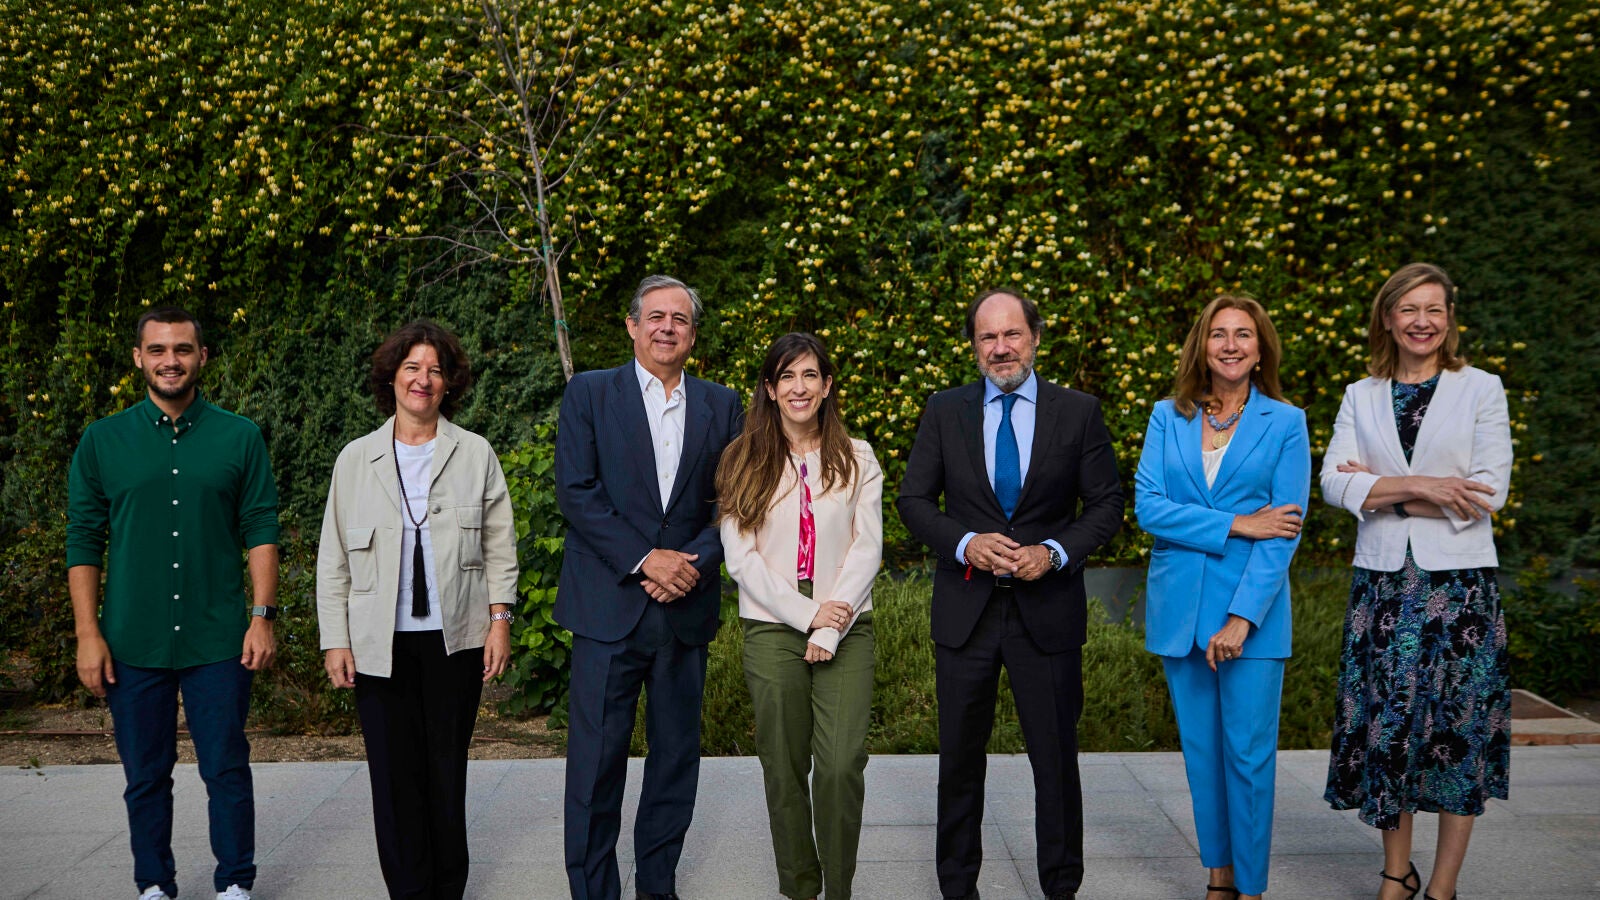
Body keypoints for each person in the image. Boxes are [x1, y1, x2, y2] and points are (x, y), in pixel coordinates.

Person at [897, 288, 1125, 900]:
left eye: (1012, 334)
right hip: (965, 612)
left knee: (1055, 763)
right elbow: (913, 500)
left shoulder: (1077, 411)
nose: (1000, 348)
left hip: (1047, 613)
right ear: (974, 346)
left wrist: (1053, 552)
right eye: (987, 337)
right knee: (959, 762)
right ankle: (957, 888)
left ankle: (1061, 888)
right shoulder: (944, 409)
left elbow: (1106, 505)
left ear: (1035, 338)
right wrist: (965, 542)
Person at [67, 307, 280, 900]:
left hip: (218, 637)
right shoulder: (102, 440)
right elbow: (83, 539)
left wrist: (262, 616)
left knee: (226, 767)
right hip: (132, 639)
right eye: (158, 350)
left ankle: (235, 883)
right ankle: (154, 885)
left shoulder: (240, 436)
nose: (170, 361)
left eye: (182, 349)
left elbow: (261, 528)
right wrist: (88, 633)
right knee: (144, 775)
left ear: (202, 357)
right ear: (139, 358)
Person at [1321, 263, 1512, 900]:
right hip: (1382, 588)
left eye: (1433, 309)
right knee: (1388, 728)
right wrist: (1426, 487)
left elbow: (1487, 494)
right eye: (1408, 309)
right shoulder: (1361, 394)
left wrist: (1382, 492)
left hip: (1461, 592)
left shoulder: (1481, 388)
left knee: (1458, 730)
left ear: (1449, 319)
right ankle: (1396, 874)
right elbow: (1334, 485)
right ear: (1387, 318)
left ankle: (1443, 887)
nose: (1421, 322)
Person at [554, 274, 743, 900]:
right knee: (595, 764)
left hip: (684, 607)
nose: (667, 327)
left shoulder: (723, 404)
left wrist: (689, 565)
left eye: (680, 319)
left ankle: (657, 887)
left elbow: (735, 503)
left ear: (693, 335)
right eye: (655, 316)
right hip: (608, 608)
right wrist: (644, 561)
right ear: (632, 326)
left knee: (675, 761)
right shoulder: (589, 393)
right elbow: (576, 491)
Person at [316, 320, 519, 900]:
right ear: (392, 378)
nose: (422, 380)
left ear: (449, 383)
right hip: (379, 645)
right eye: (412, 368)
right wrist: (336, 639)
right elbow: (333, 559)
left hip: (456, 641)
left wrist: (500, 623)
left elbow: (500, 547)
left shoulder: (475, 453)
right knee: (393, 778)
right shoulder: (356, 459)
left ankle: (447, 889)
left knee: (446, 773)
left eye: (434, 370)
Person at [1134, 294, 1311, 900]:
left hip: (1251, 615)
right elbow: (1149, 508)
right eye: (1218, 334)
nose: (1230, 345)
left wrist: (1241, 620)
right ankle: (1219, 877)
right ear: (1201, 346)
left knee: (1249, 758)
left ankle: (1252, 888)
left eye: (1243, 334)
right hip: (1179, 612)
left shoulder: (1285, 422)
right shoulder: (1168, 416)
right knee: (1202, 754)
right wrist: (1238, 522)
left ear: (1261, 350)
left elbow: (1283, 531)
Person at [717, 333, 884, 900]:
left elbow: (867, 546)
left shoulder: (859, 456)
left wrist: (832, 623)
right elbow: (741, 559)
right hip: (773, 623)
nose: (799, 387)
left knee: (840, 764)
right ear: (769, 389)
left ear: (827, 385)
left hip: (847, 620)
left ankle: (838, 889)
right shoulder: (741, 459)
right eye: (786, 376)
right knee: (784, 767)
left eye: (810, 374)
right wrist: (809, 616)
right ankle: (800, 887)